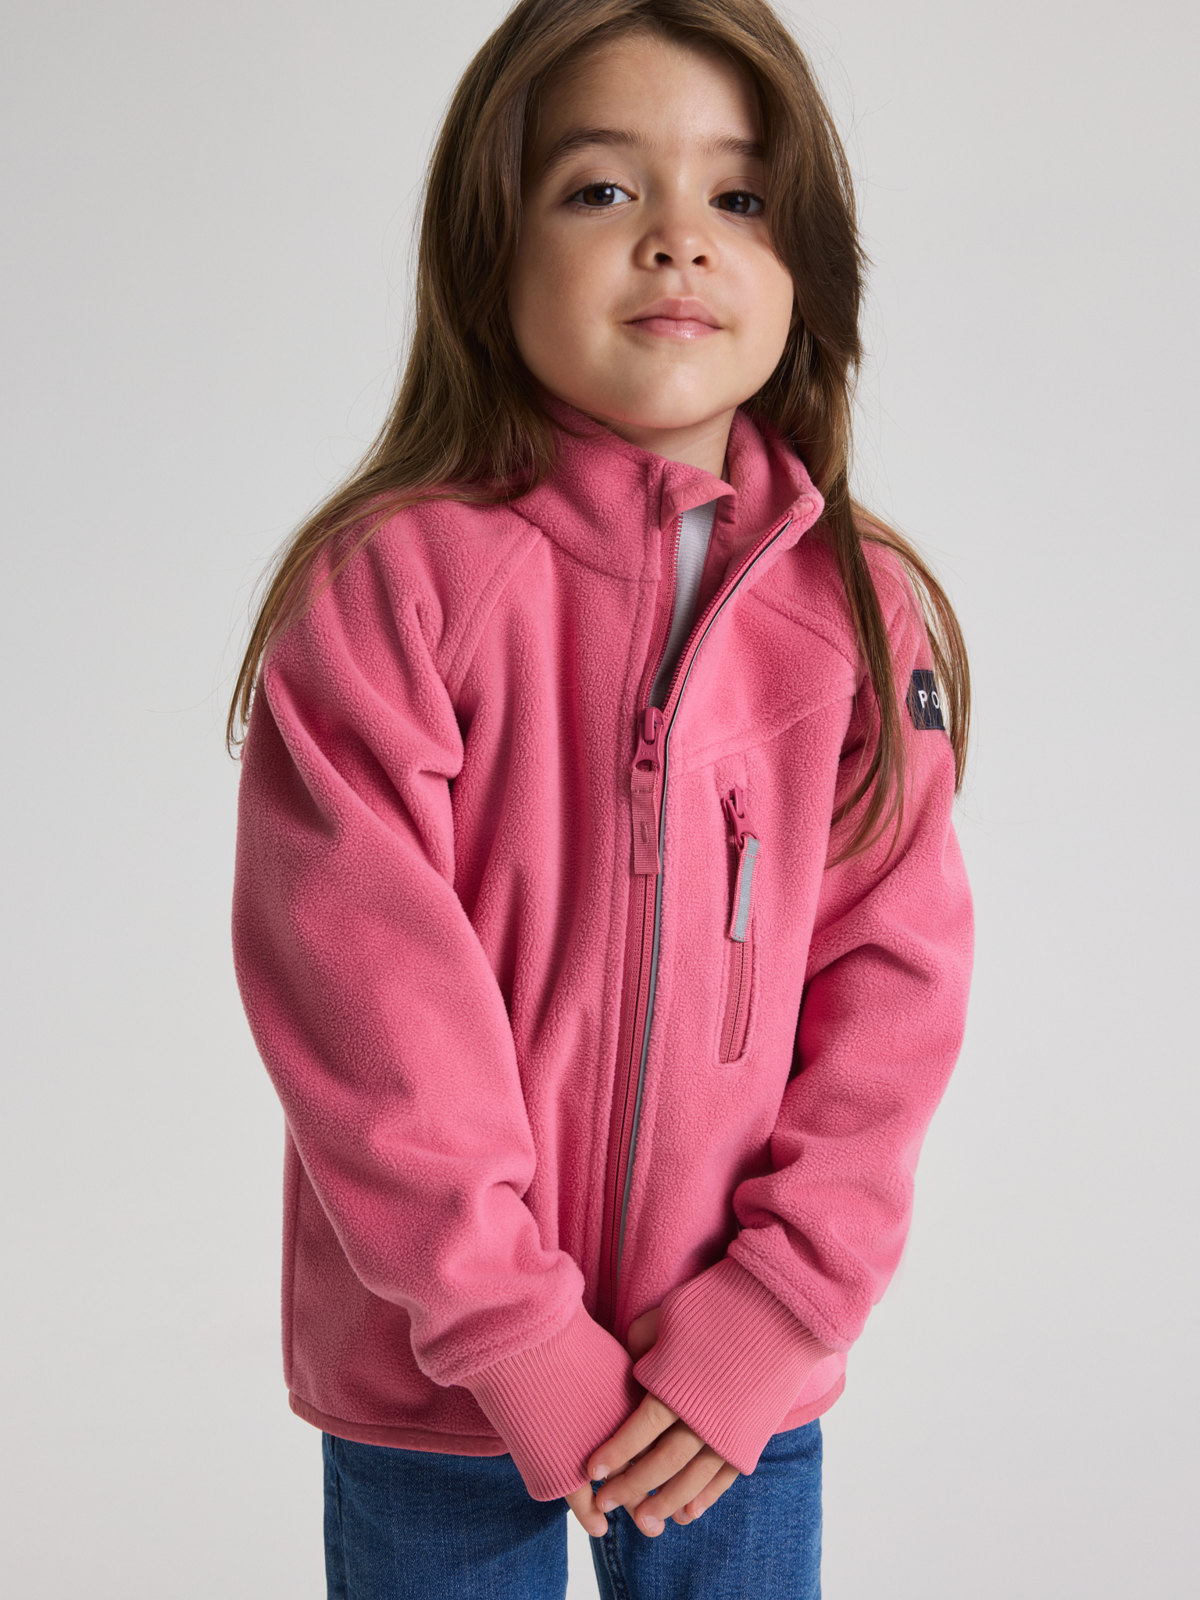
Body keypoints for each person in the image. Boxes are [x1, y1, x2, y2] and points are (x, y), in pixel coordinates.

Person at [227, 1, 975, 1595]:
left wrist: (775, 1308)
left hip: (733, 1392)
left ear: (807, 268)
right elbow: (362, 1002)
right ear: (489, 249)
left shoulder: (860, 615)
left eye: (740, 196)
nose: (678, 241)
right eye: (601, 189)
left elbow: (894, 993)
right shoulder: (393, 591)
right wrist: (514, 1331)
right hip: (436, 1390)